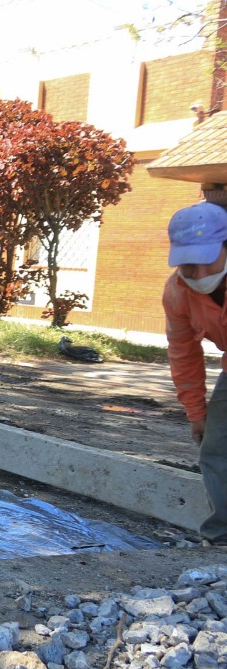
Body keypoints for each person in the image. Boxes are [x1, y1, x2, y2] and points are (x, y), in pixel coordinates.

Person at [163, 201, 227, 546]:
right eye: (189, 265)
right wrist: (198, 413)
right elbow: (184, 352)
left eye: (207, 262)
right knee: (216, 448)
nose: (199, 275)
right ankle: (222, 540)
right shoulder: (177, 293)